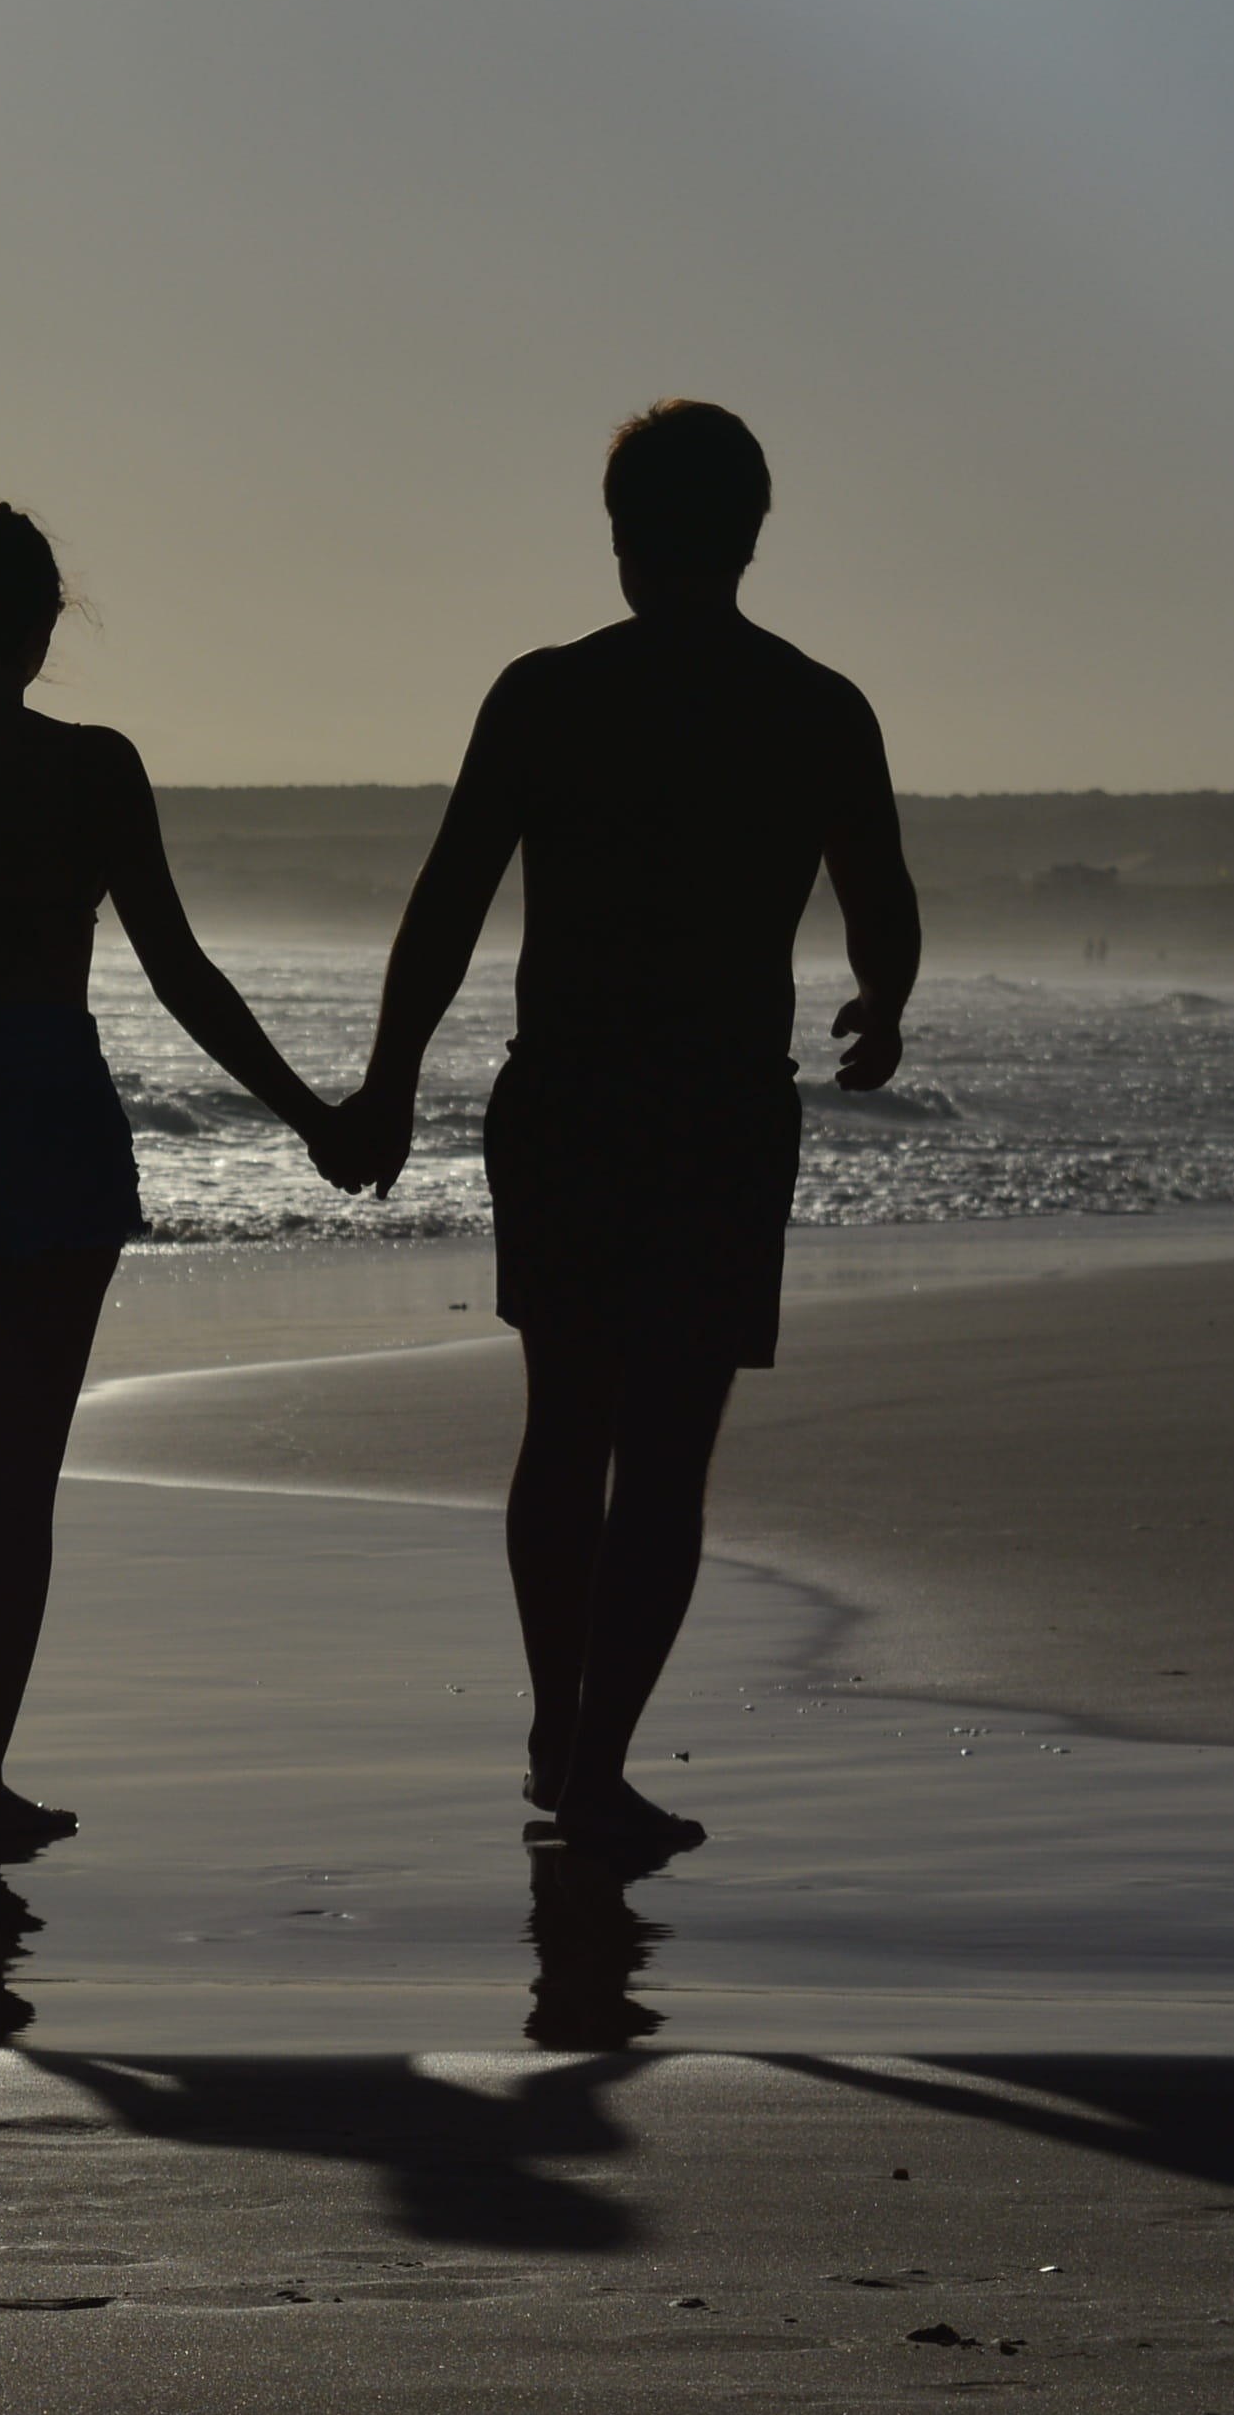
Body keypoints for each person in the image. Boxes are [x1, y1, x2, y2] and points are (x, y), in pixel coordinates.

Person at [319, 401, 919, 1853]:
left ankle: (559, 1726)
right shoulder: (814, 705)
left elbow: (449, 900)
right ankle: (593, 1756)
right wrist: (881, 1008)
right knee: (661, 1458)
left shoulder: (545, 694)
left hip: (569, 1094)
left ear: (625, 536)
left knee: (565, 1425)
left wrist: (390, 1080)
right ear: (751, 535)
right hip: (716, 1108)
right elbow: (882, 905)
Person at [0, 505, 343, 1849]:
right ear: (45, 625)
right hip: (45, 1104)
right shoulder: (95, 771)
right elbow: (180, 971)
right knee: (20, 1467)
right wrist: (310, 1113)